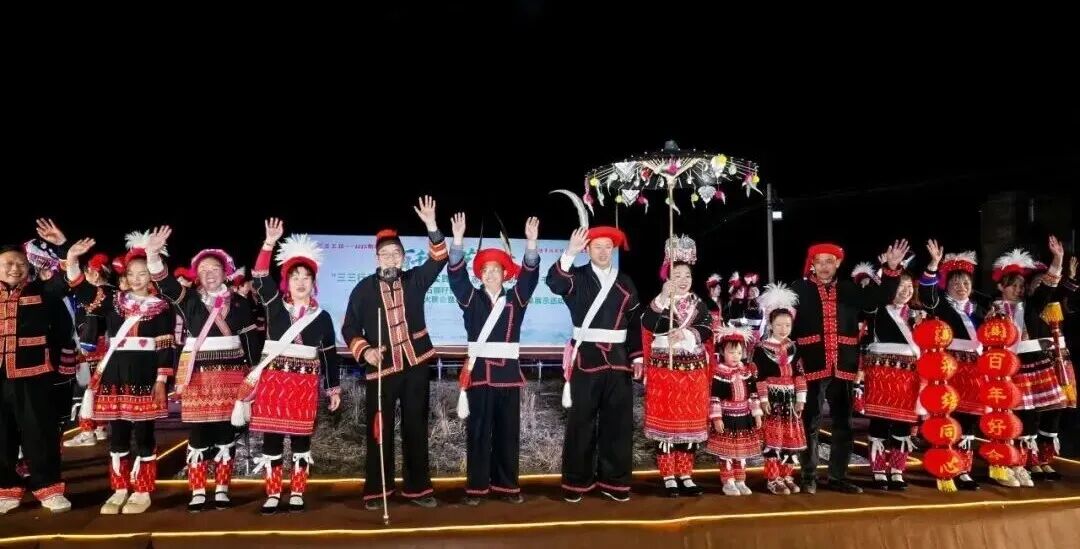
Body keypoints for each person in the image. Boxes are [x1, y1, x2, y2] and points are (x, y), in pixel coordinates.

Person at [342, 196, 448, 509]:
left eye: (396, 253)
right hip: (382, 370)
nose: (391, 258)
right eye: (385, 254)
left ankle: (419, 490)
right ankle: (378, 491)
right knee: (380, 430)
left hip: (416, 366)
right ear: (377, 257)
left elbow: (439, 258)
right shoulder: (363, 289)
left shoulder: (415, 280)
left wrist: (431, 225)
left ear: (403, 257)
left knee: (416, 427)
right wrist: (365, 351)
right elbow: (349, 328)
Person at [447, 213, 540, 505]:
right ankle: (476, 488)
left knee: (507, 434)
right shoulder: (471, 298)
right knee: (477, 433)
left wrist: (532, 244)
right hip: (479, 377)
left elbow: (529, 277)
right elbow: (456, 277)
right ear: (480, 275)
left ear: (504, 273)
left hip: (508, 377)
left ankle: (507, 486)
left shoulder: (516, 299)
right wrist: (458, 240)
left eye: (495, 269)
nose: (490, 274)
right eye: (485, 270)